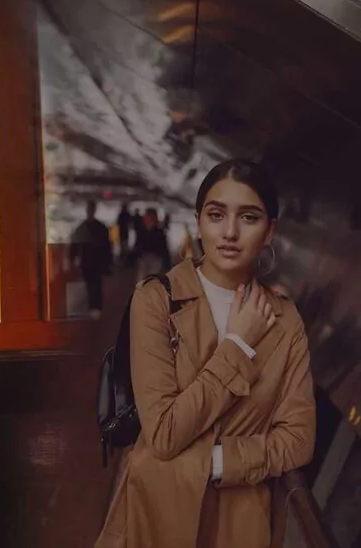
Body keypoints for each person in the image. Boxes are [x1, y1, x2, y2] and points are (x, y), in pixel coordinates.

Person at [96, 159, 316, 547]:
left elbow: (298, 439)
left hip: (242, 523)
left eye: (249, 218)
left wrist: (215, 463)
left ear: (270, 231)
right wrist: (237, 345)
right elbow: (163, 433)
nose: (229, 232)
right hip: (155, 516)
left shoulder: (284, 321)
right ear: (199, 222)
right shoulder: (156, 300)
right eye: (216, 215)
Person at [69, 200, 112, 318]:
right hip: (92, 259)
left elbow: (75, 245)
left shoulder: (82, 228)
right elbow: (107, 246)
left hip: (89, 259)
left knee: (93, 284)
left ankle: (94, 306)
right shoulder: (100, 227)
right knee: (94, 284)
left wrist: (72, 258)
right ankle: (95, 307)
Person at [131, 207, 172, 280]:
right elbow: (137, 245)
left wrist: (167, 263)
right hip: (143, 258)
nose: (144, 219)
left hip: (155, 259)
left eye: (147, 217)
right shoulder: (142, 231)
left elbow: (163, 248)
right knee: (141, 280)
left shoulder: (159, 233)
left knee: (152, 280)